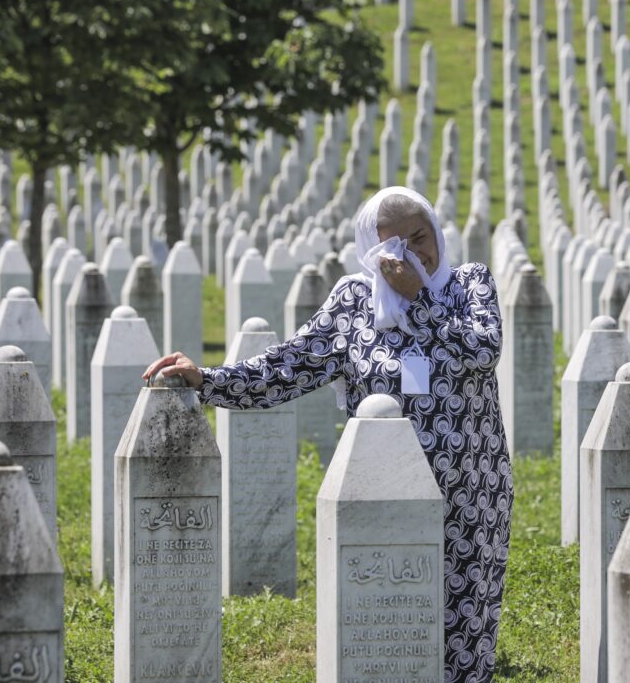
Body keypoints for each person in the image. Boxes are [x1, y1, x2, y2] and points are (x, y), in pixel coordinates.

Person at [143, 186, 513, 683]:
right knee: (389, 637)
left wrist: (419, 298)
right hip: (381, 496)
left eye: (420, 238)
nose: (411, 255)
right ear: (371, 251)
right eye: (393, 246)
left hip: (470, 495)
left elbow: (484, 350)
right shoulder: (353, 303)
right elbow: (287, 367)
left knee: (463, 642)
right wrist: (207, 379)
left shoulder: (468, 285)